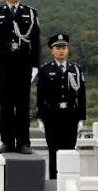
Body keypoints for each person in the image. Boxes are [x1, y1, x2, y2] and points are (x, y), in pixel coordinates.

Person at [0, 0, 41, 154]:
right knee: (6, 105)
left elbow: (36, 42)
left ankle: (24, 142)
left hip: (24, 64)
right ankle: (7, 142)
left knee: (23, 105)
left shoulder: (30, 13)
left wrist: (35, 66)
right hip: (4, 64)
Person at [36, 33, 87, 179]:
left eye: (64, 47)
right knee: (53, 152)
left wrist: (81, 119)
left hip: (71, 116)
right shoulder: (45, 70)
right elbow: (40, 96)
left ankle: (70, 183)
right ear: (52, 51)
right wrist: (40, 119)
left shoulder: (76, 69)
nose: (61, 50)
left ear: (68, 50)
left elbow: (82, 95)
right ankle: (54, 184)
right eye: (58, 48)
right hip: (52, 117)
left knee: (70, 151)